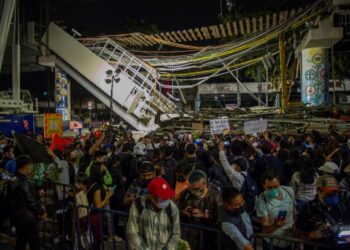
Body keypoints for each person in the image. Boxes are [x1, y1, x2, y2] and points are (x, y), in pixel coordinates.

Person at [296, 175, 350, 250]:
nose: (333, 197)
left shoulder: (342, 207)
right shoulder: (308, 208)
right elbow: (298, 233)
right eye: (328, 195)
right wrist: (310, 235)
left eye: (335, 194)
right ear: (318, 191)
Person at [127, 177, 180, 250]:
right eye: (162, 198)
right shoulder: (138, 205)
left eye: (166, 197)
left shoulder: (172, 209)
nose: (165, 201)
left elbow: (175, 234)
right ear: (151, 196)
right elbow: (133, 232)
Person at [8, 155, 47, 250]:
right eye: (29, 165)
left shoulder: (12, 181)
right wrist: (41, 212)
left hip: (18, 218)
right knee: (34, 244)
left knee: (21, 242)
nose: (30, 168)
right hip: (29, 220)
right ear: (25, 167)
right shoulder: (24, 182)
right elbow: (31, 202)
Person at [178, 169, 222, 250]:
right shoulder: (185, 193)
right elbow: (176, 211)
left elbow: (222, 219)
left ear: (205, 183)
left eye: (197, 188)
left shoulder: (216, 195)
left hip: (208, 238)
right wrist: (183, 212)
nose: (193, 191)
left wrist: (206, 216)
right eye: (191, 188)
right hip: (188, 236)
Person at [256, 170, 295, 250]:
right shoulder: (261, 200)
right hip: (273, 243)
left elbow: (294, 211)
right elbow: (265, 228)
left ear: (279, 182)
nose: (273, 189)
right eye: (269, 187)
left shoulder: (289, 191)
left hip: (289, 240)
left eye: (276, 186)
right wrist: (275, 226)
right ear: (263, 185)